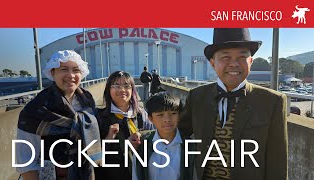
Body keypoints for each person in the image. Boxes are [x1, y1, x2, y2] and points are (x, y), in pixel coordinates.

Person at [179, 28, 288, 180]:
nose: (234, 64)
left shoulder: (272, 102)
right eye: (225, 57)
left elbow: (277, 161)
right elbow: (176, 132)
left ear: (251, 61)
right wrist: (141, 139)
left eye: (242, 57)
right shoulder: (197, 96)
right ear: (212, 63)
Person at [16, 50, 101, 180]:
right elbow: (25, 161)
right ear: (52, 72)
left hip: (83, 173)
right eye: (64, 69)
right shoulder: (35, 109)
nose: (71, 75)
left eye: (76, 70)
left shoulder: (87, 102)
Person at [95, 70, 154, 180]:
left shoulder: (142, 115)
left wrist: (142, 140)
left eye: (127, 86)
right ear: (108, 90)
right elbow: (92, 155)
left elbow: (154, 144)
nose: (122, 90)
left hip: (140, 174)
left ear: (132, 90)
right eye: (116, 85)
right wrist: (109, 138)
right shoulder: (99, 117)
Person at [132, 92, 196, 180]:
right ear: (150, 118)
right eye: (160, 115)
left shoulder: (191, 147)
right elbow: (136, 175)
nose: (167, 119)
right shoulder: (142, 146)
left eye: (173, 113)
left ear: (179, 115)